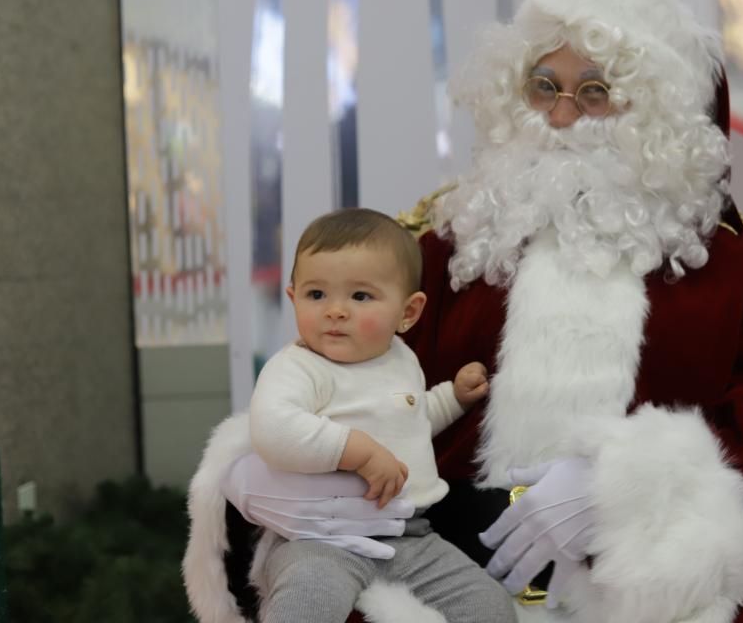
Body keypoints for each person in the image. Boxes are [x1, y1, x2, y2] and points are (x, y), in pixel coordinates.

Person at [185, 0, 743, 623]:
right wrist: (257, 474)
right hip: (442, 572)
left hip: (659, 587)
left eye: (594, 92)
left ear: (654, 115)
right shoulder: (444, 245)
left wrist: (625, 489)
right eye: (543, 86)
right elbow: (329, 375)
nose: (561, 116)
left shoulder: (734, 267)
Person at [192, 208, 516, 623]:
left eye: (360, 296)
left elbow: (409, 422)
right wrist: (357, 452)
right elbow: (273, 428)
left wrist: (452, 398)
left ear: (408, 313)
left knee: (487, 603)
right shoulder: (299, 367)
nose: (335, 311)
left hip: (413, 538)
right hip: (322, 541)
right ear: (293, 297)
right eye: (316, 295)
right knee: (308, 598)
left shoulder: (400, 359)